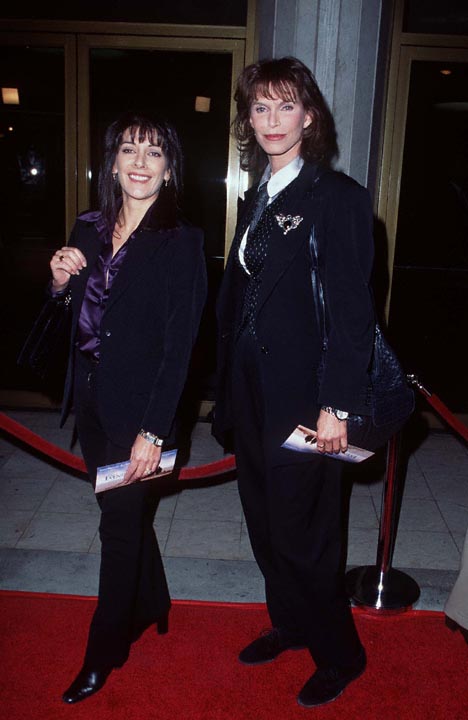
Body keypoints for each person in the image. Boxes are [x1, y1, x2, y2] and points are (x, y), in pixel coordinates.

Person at [213, 57, 375, 708]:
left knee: (306, 533)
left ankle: (341, 652)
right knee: (263, 520)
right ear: (247, 121)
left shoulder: (338, 199)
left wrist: (338, 405)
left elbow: (353, 312)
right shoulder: (257, 196)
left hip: (307, 399)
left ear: (309, 116)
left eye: (286, 106)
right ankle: (290, 622)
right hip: (249, 391)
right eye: (260, 108)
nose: (272, 120)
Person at [49, 112, 207, 703]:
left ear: (169, 170)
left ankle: (102, 650)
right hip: (91, 401)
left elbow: (180, 346)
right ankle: (154, 601)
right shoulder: (87, 227)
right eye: (130, 150)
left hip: (142, 411)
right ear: (111, 162)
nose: (140, 163)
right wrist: (60, 283)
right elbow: (75, 320)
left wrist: (153, 432)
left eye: (154, 153)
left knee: (114, 528)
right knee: (126, 515)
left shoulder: (181, 242)